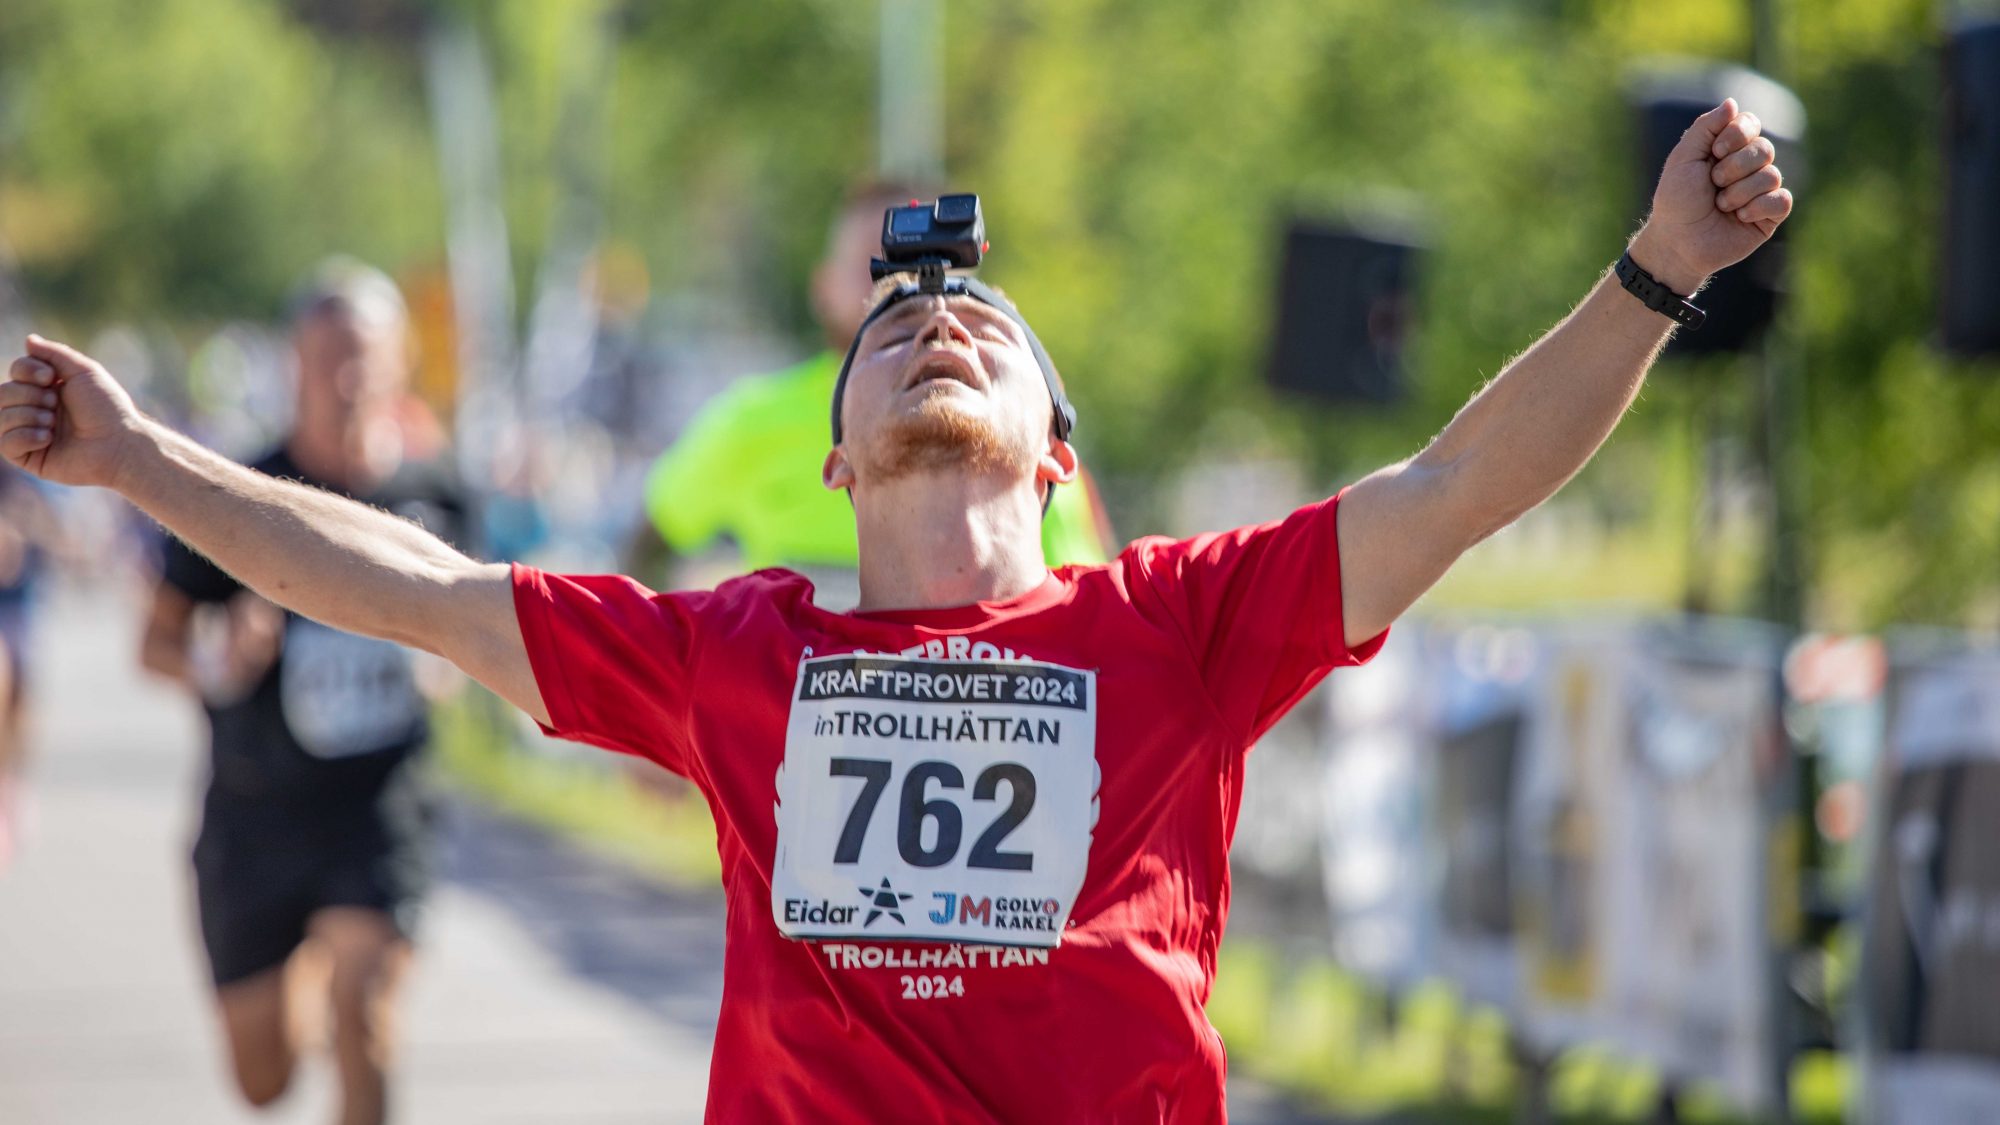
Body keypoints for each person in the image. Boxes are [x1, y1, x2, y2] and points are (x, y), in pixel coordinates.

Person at [7, 101, 1788, 1121]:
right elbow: (423, 589)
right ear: (841, 462)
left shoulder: (1177, 624)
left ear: (1058, 447)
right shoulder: (739, 655)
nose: (941, 329)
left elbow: (1458, 486)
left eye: (987, 336)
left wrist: (1659, 275)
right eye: (894, 335)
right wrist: (145, 459)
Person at [132, 260, 466, 1125]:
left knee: (364, 1016)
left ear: (399, 364)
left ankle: (343, 960)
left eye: (364, 358)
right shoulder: (236, 501)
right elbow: (155, 646)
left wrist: (451, 663)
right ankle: (311, 964)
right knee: (263, 1080)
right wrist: (218, 660)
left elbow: (485, 642)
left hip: (377, 808)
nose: (347, 380)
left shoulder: (435, 498)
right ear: (295, 365)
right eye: (327, 359)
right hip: (255, 814)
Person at [630, 181, 1112, 602]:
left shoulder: (1013, 431)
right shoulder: (751, 420)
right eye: (876, 264)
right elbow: (654, 535)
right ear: (823, 286)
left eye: (931, 262)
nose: (904, 284)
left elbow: (1082, 601)